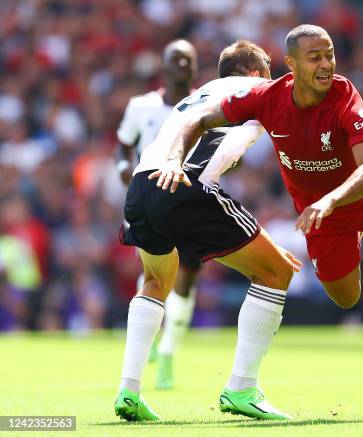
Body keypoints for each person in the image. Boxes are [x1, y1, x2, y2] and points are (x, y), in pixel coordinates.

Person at [152, 24, 363, 312]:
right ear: (291, 64)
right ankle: (355, 230)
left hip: (361, 193)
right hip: (321, 213)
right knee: (347, 298)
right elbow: (200, 119)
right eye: (315, 57)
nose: (325, 65)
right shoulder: (268, 98)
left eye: (329, 55)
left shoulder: (344, 94)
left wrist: (331, 200)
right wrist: (173, 160)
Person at [114, 40, 301, 422]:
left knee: (155, 280)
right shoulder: (254, 90)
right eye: (266, 74)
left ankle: (128, 390)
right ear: (254, 74)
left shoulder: (200, 94)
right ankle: (242, 387)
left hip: (141, 187)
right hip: (184, 186)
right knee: (276, 272)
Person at [116, 39, 201, 390]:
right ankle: (151, 337)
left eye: (188, 60)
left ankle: (167, 351)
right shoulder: (141, 106)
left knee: (185, 280)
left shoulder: (204, 103)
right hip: (151, 200)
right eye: (175, 59)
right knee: (154, 273)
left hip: (192, 202)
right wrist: (124, 166)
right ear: (163, 66)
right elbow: (125, 142)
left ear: (196, 68)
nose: (181, 65)